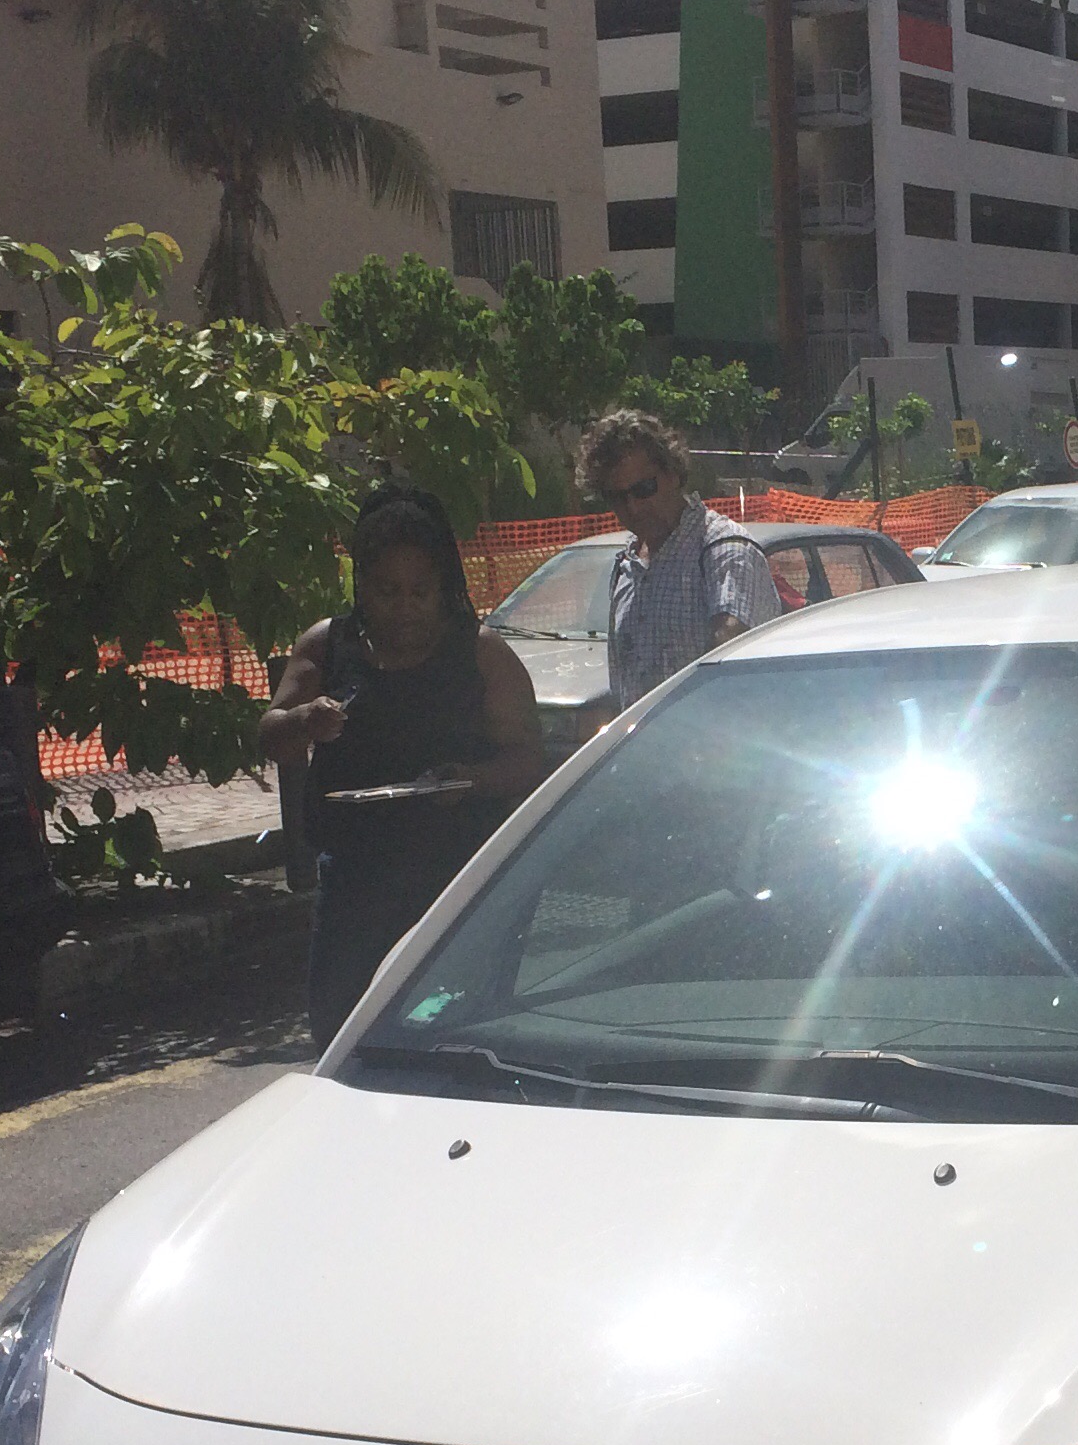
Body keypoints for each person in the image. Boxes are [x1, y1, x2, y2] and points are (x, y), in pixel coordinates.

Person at [262, 487, 548, 1047]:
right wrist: (304, 720)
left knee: (449, 1035)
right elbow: (271, 734)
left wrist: (469, 780)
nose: (404, 607)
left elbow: (529, 761)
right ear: (362, 587)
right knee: (343, 1030)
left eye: (420, 592)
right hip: (355, 881)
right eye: (387, 591)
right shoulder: (326, 645)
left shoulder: (481, 654)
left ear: (443, 589)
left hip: (457, 881)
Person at [582, 409, 781, 714]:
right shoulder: (627, 567)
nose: (633, 507)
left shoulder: (724, 552)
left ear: (672, 473)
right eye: (617, 497)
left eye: (643, 489)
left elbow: (732, 674)